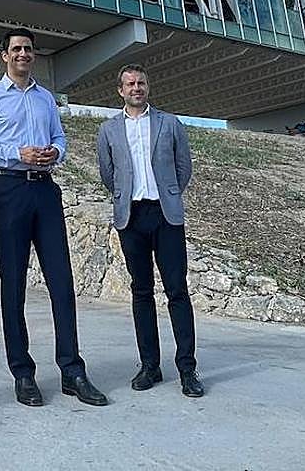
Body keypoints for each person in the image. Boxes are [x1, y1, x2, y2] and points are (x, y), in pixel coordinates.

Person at [0, 29, 108, 408]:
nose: (23, 54)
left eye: (28, 49)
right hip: (8, 189)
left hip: (45, 190)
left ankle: (72, 371)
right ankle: (23, 373)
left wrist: (53, 154)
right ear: (4, 56)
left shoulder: (45, 99)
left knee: (62, 281)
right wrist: (17, 153)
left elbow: (60, 139)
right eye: (16, 49)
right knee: (13, 284)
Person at [96, 64, 204, 398]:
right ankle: (150, 366)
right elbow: (107, 171)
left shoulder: (170, 124)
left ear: (148, 87)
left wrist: (170, 194)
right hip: (131, 217)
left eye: (141, 83)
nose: (136, 88)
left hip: (165, 216)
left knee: (177, 291)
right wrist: (124, 197)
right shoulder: (109, 130)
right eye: (130, 83)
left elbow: (183, 166)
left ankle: (187, 369)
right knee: (141, 291)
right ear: (120, 90)